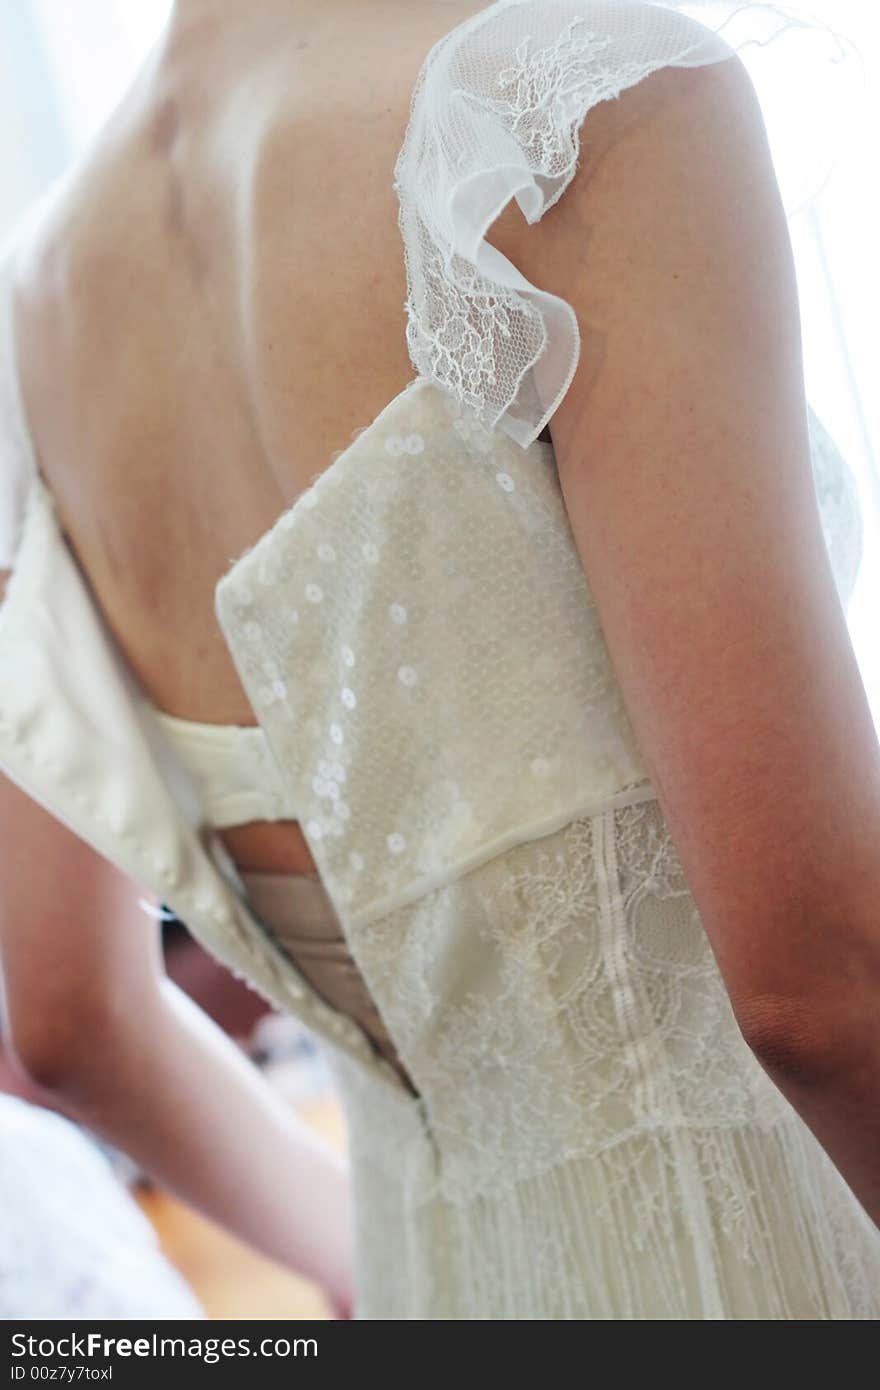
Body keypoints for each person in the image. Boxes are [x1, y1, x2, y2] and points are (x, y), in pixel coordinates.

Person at [1, 0, 878, 1319]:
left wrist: (382, 1268)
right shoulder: (571, 104)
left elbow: (67, 1016)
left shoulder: (37, 305)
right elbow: (820, 984)